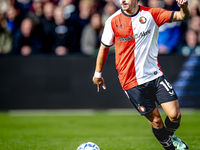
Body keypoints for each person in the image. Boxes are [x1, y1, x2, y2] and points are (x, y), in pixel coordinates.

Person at [92, 0, 190, 149]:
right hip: (131, 82)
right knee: (156, 121)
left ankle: (169, 137)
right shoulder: (112, 21)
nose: (122, 1)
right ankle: (170, 147)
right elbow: (103, 49)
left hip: (155, 75)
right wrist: (97, 74)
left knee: (175, 116)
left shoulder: (152, 14)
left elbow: (182, 17)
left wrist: (184, 7)